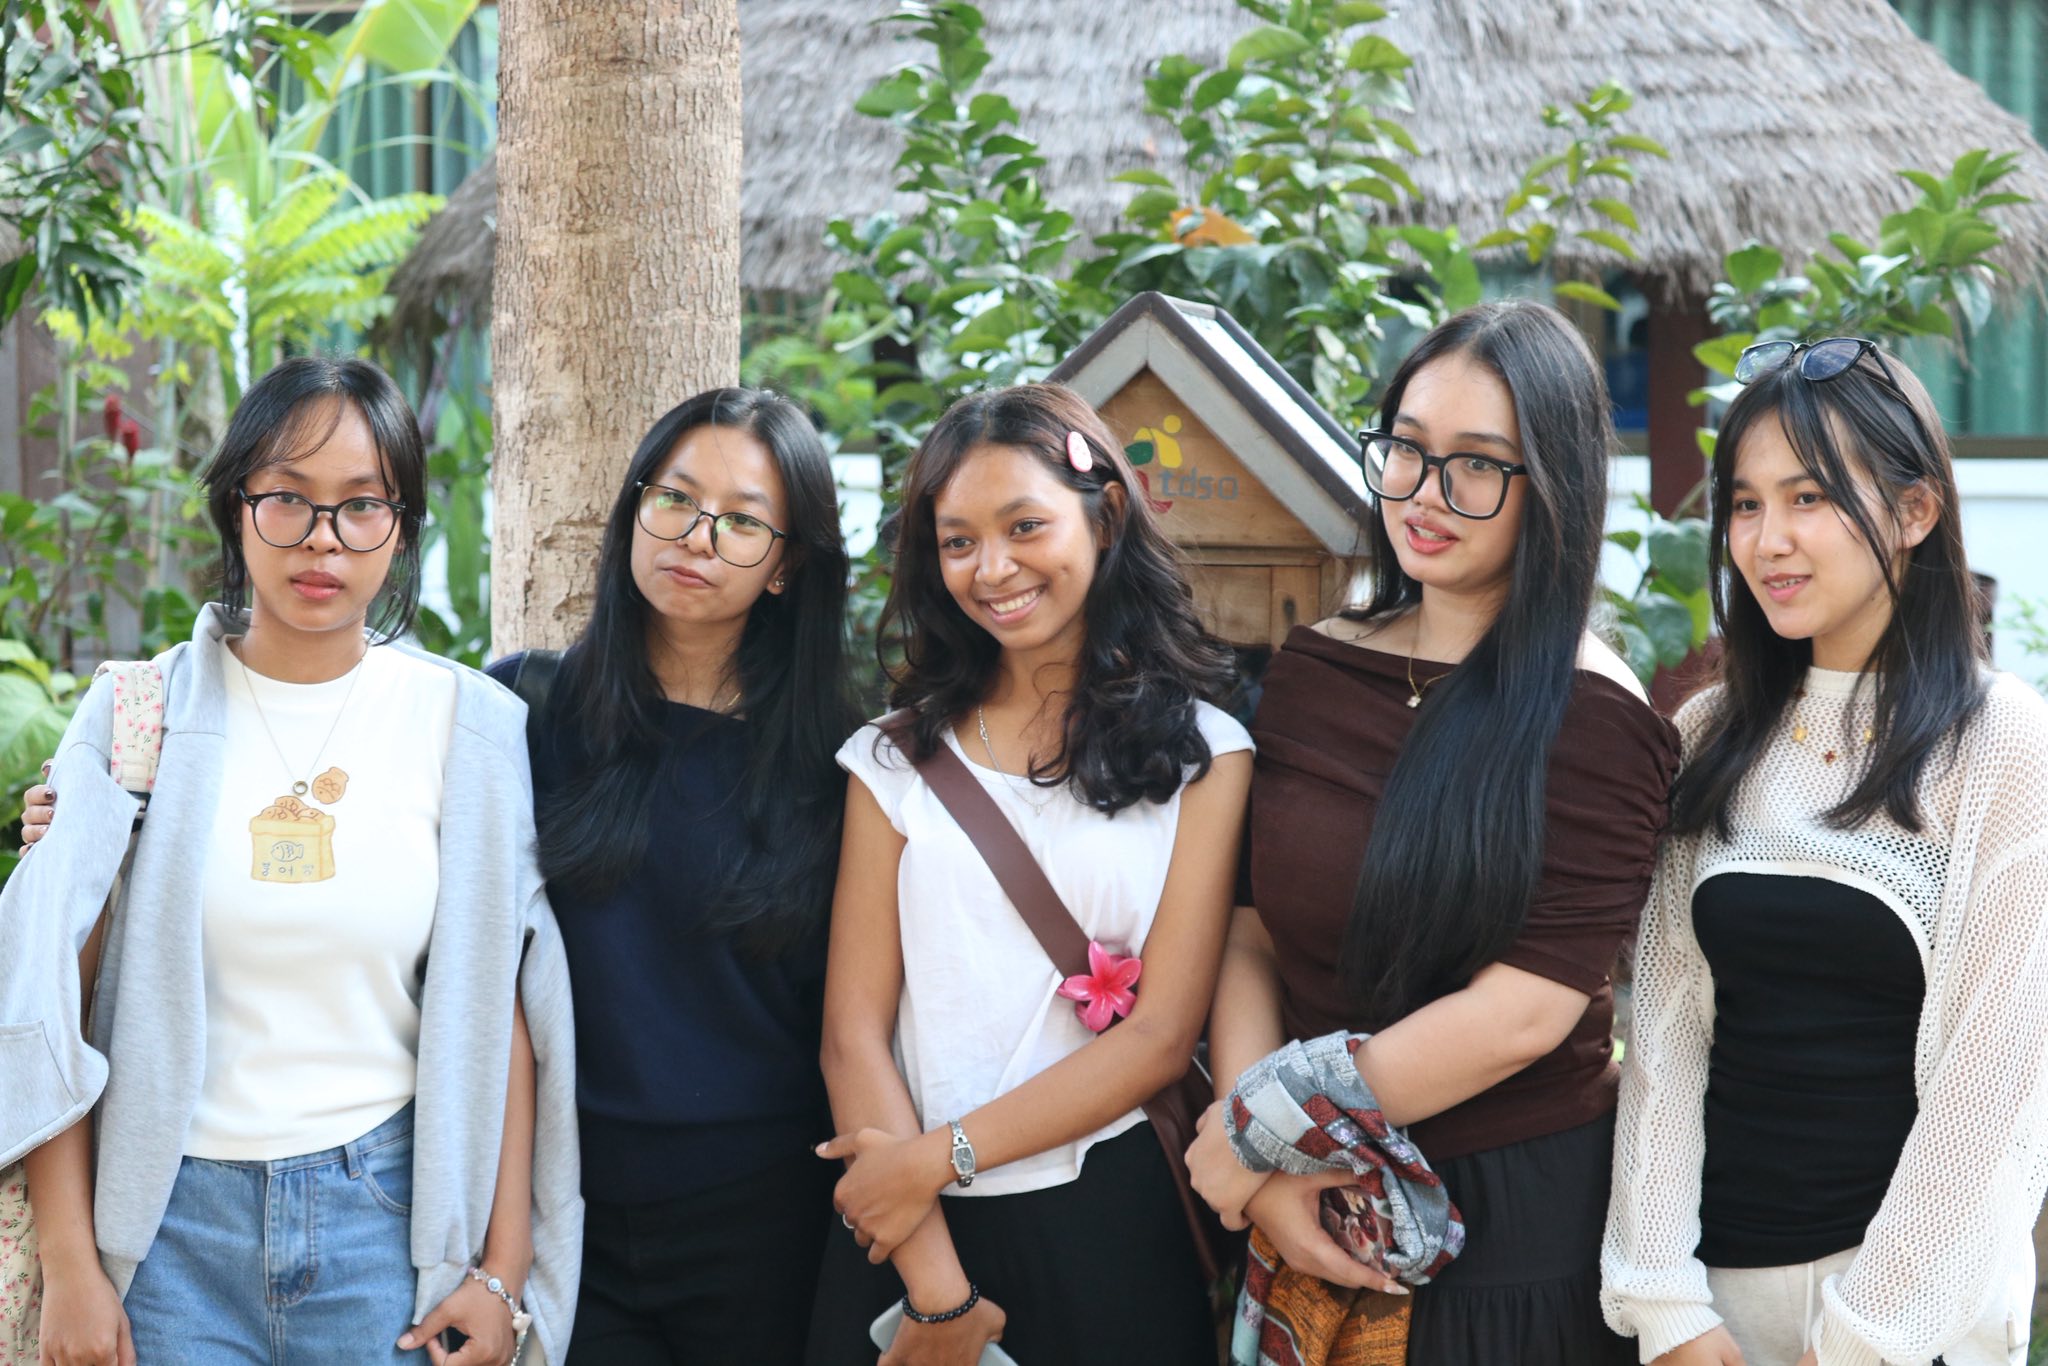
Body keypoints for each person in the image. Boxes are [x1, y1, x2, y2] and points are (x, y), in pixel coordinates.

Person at [0, 356, 579, 1365]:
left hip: (386, 1231)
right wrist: (72, 1263)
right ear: (236, 508)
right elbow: (49, 995)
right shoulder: (137, 714)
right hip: (166, 1230)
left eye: (362, 505)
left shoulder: (470, 728)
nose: (323, 538)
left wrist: (501, 1270)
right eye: (288, 499)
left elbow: (503, 1012)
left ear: (401, 525)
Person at [1186, 300, 1680, 1365]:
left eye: (1477, 466)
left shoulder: (1594, 714)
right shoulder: (1316, 667)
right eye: (1406, 449)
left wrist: (1257, 1131)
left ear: (1552, 484)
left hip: (1507, 1223)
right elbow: (1252, 932)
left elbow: (1522, 1014)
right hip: (1307, 1190)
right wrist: (1260, 1160)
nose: (1424, 492)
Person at [1601, 338, 2048, 1366]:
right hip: (1716, 1307)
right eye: (1744, 504)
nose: (1767, 540)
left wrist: (1858, 1340)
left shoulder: (2003, 746)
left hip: (1911, 1319)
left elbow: (1992, 1086)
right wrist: (1666, 1304)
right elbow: (1665, 1032)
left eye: (1807, 497)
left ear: (1914, 510)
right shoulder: (1709, 734)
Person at [802, 383, 1251, 1366]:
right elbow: (851, 1035)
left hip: (1109, 1221)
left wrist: (936, 1158)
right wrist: (936, 1289)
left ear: (1105, 516)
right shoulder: (891, 759)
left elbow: (1160, 1037)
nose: (992, 568)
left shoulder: (1206, 755)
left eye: (1024, 526)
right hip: (909, 1233)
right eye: (957, 541)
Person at [485, 387, 859, 1363]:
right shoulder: (519, 712)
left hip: (767, 1223)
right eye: (676, 499)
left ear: (787, 565)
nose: (697, 536)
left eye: (742, 521)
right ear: (634, 508)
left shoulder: (845, 766)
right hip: (564, 1214)